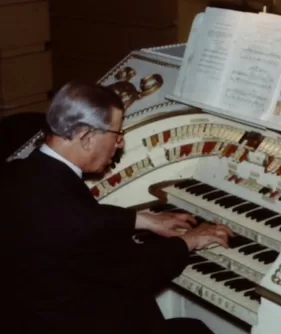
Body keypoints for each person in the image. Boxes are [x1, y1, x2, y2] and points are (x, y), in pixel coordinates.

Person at [1, 81, 234, 334]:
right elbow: (139, 270)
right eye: (116, 134)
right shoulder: (75, 220)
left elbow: (80, 217)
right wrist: (191, 240)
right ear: (86, 138)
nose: (120, 144)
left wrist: (141, 219)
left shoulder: (19, 172)